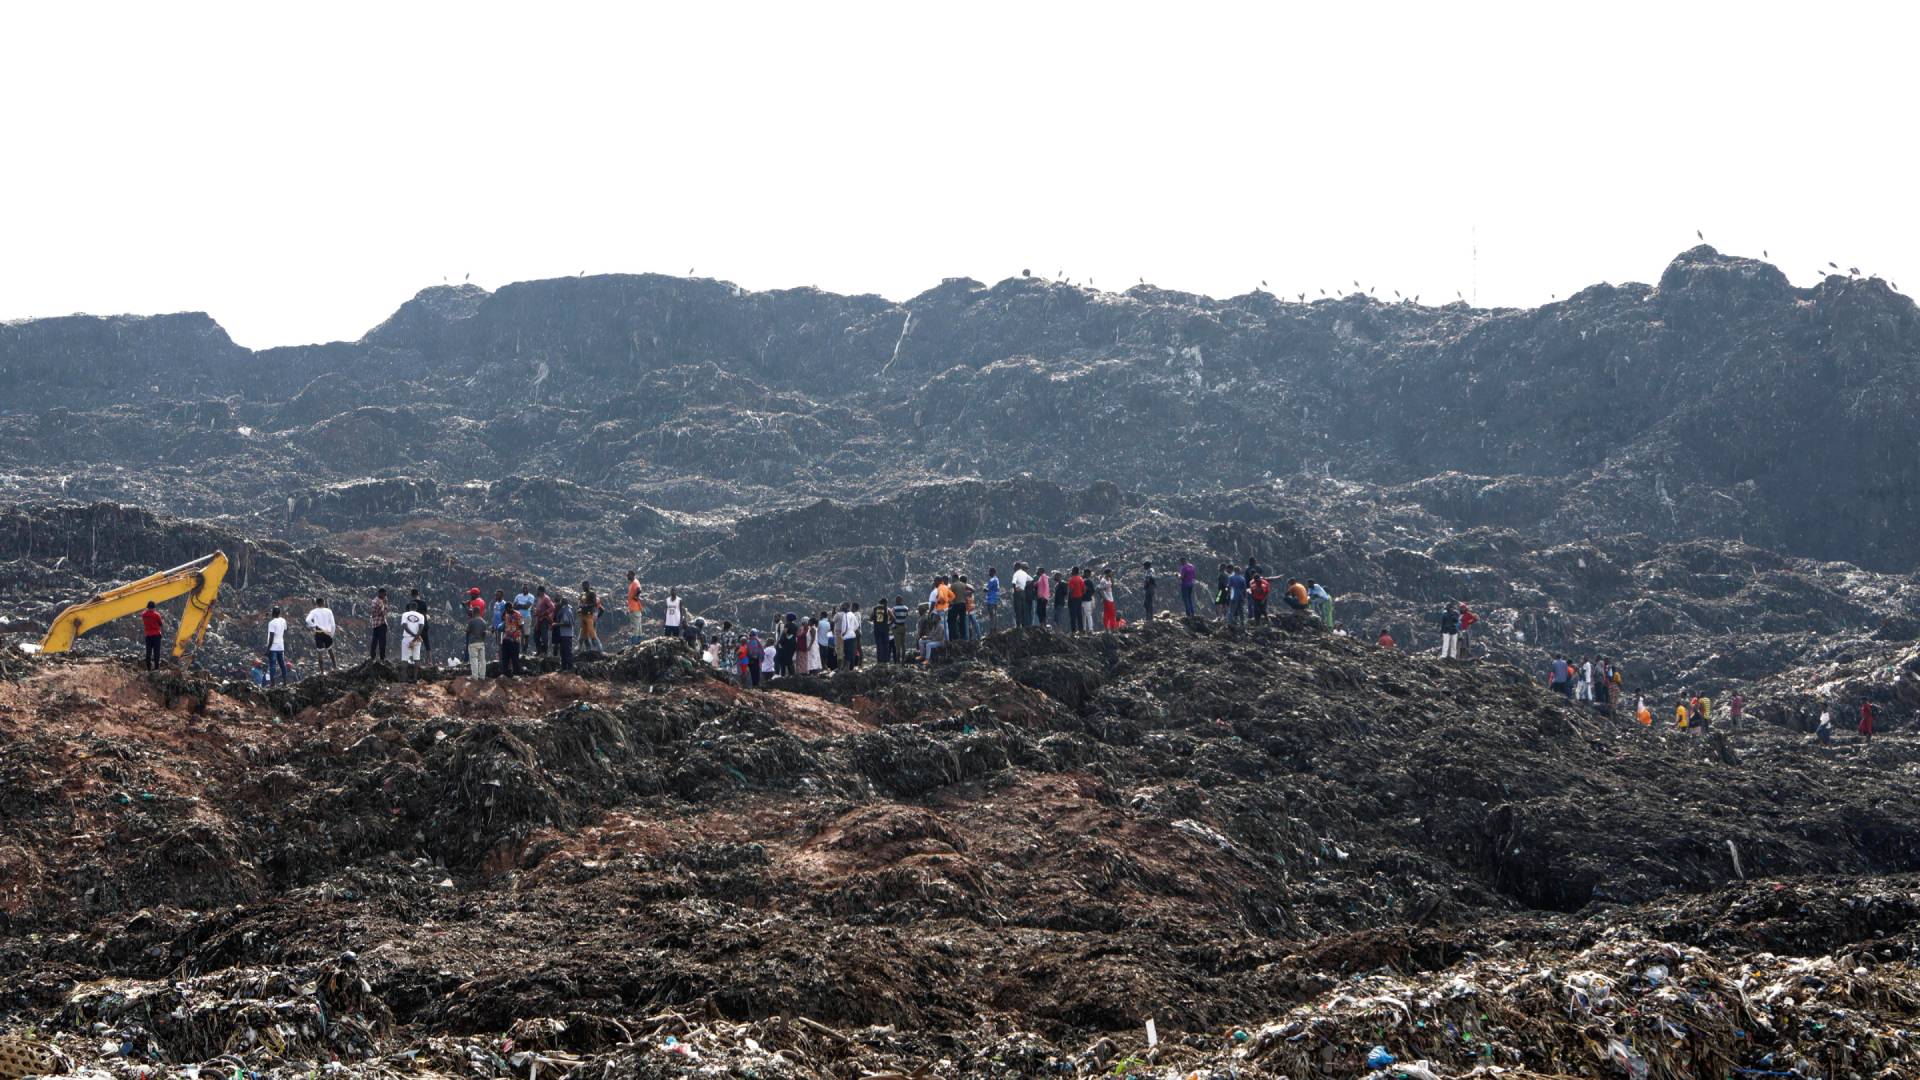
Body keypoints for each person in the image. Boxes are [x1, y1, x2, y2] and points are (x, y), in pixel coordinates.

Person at [304, 597, 338, 672]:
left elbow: (307, 620)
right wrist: (331, 634)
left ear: (316, 603)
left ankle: (322, 672)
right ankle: (335, 667)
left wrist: (313, 625)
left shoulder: (314, 611)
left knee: (320, 652)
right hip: (327, 633)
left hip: (318, 633)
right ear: (324, 602)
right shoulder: (328, 611)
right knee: (330, 650)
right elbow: (333, 624)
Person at [399, 602, 429, 679]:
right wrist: (416, 637)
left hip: (406, 638)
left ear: (409, 607)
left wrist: (412, 635)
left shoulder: (405, 614)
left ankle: (404, 678)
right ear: (416, 608)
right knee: (416, 659)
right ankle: (415, 678)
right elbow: (421, 628)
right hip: (417, 640)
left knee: (404, 659)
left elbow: (404, 626)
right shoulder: (421, 616)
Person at [265, 607, 289, 685]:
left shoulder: (271, 623)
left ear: (273, 613)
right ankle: (285, 682)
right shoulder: (283, 620)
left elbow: (271, 637)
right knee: (282, 664)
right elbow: (286, 629)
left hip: (273, 647)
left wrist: (268, 649)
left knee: (272, 665)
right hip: (281, 646)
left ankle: (272, 683)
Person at [500, 604, 524, 676]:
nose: (508, 610)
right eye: (506, 609)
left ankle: (516, 673)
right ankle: (505, 672)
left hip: (515, 638)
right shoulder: (506, 613)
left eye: (509, 609)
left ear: (512, 608)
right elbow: (502, 619)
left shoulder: (517, 614)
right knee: (505, 656)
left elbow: (521, 625)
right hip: (506, 637)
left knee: (514, 657)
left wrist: (517, 634)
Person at [554, 592, 576, 671]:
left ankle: (569, 668)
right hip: (565, 634)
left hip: (566, 634)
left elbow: (568, 624)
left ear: (562, 603)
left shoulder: (565, 611)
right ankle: (563, 667)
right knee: (563, 651)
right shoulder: (568, 609)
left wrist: (557, 624)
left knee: (567, 651)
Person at [139, 601, 165, 670]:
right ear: (154, 608)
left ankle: (149, 669)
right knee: (156, 652)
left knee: (148, 652)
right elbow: (160, 624)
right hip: (156, 635)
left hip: (148, 636)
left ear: (147, 607)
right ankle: (156, 668)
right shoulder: (156, 615)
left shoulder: (144, 615)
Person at [465, 605, 488, 678]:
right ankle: (482, 676)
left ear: (474, 612)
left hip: (473, 643)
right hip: (481, 642)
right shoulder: (484, 622)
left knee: (474, 659)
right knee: (482, 660)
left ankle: (475, 676)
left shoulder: (471, 621)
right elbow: (484, 633)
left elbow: (468, 631)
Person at [532, 586, 555, 656]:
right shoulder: (539, 598)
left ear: (541, 591)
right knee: (535, 636)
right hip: (538, 620)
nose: (537, 592)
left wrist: (544, 613)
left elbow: (552, 607)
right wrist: (536, 611)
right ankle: (539, 651)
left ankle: (544, 652)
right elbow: (540, 608)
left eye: (538, 591)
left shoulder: (546, 598)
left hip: (544, 620)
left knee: (544, 637)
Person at [579, 581, 602, 652]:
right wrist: (580, 607)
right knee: (583, 633)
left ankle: (598, 649)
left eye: (585, 585)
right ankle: (586, 648)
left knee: (592, 633)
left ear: (588, 585)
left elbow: (594, 604)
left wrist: (586, 606)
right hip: (583, 615)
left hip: (589, 615)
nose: (584, 587)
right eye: (583, 585)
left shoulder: (592, 593)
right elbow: (579, 603)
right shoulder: (582, 594)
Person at [369, 587, 390, 662]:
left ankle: (372, 656)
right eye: (384, 594)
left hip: (375, 624)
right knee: (382, 641)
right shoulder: (380, 601)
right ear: (380, 593)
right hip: (381, 623)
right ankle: (382, 658)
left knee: (374, 641)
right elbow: (383, 613)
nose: (385, 596)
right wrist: (386, 605)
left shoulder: (374, 600)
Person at [871, 598, 894, 663]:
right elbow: (893, 619)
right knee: (886, 645)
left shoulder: (875, 609)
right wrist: (888, 624)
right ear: (885, 603)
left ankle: (879, 660)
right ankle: (886, 660)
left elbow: (871, 618)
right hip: (885, 630)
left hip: (877, 629)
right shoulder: (887, 609)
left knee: (879, 645)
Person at [1010, 563, 1032, 627]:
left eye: (1014, 567)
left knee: (1018, 609)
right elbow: (1031, 580)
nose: (1013, 569)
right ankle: (1023, 625)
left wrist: (1015, 589)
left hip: (1017, 593)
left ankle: (1018, 626)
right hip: (1023, 593)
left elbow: (1013, 582)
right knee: (1023, 609)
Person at [891, 595, 912, 663]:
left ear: (896, 601)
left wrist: (892, 625)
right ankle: (903, 660)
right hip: (903, 627)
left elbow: (892, 618)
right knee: (903, 645)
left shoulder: (894, 608)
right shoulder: (906, 608)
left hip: (896, 627)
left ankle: (898, 662)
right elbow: (906, 616)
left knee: (897, 646)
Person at [1066, 568, 1087, 632]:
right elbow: (1084, 590)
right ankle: (1081, 629)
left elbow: (1071, 590)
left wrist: (1070, 598)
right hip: (1079, 598)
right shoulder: (1081, 579)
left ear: (1073, 571)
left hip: (1073, 599)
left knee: (1073, 615)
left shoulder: (1072, 579)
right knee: (1079, 614)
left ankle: (1073, 630)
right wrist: (1081, 596)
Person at [488, 589, 507, 661]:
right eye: (495, 594)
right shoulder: (495, 604)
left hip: (501, 627)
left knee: (500, 642)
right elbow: (494, 615)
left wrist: (503, 625)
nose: (496, 596)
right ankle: (499, 657)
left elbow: (505, 616)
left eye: (497, 595)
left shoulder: (504, 604)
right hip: (495, 627)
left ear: (502, 596)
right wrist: (493, 626)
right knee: (497, 642)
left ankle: (502, 657)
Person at [626, 571, 644, 643]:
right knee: (638, 627)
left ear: (633, 575)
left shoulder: (635, 582)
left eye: (628, 575)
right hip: (635, 608)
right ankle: (639, 642)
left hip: (634, 608)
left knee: (635, 627)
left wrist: (636, 597)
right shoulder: (633, 583)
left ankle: (634, 644)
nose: (627, 576)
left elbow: (639, 590)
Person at [984, 568, 1001, 634]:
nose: (989, 573)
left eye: (989, 572)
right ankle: (995, 629)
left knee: (991, 615)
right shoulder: (997, 579)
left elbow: (986, 589)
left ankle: (992, 630)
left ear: (993, 572)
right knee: (995, 614)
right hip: (996, 598)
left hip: (991, 599)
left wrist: (984, 589)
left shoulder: (992, 580)